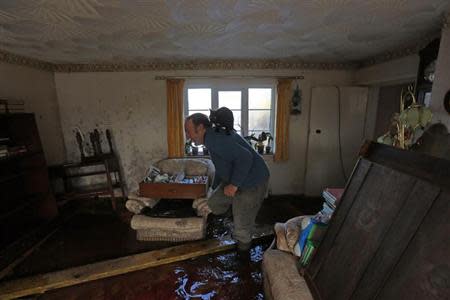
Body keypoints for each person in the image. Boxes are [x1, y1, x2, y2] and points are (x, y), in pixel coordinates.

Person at [184, 112, 270, 257]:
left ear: (200, 127)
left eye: (188, 131)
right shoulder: (211, 137)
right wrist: (213, 188)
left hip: (253, 181)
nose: (187, 136)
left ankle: (243, 254)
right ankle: (237, 215)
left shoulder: (215, 139)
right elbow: (221, 165)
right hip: (237, 176)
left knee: (242, 227)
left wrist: (234, 185)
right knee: (214, 203)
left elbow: (245, 157)